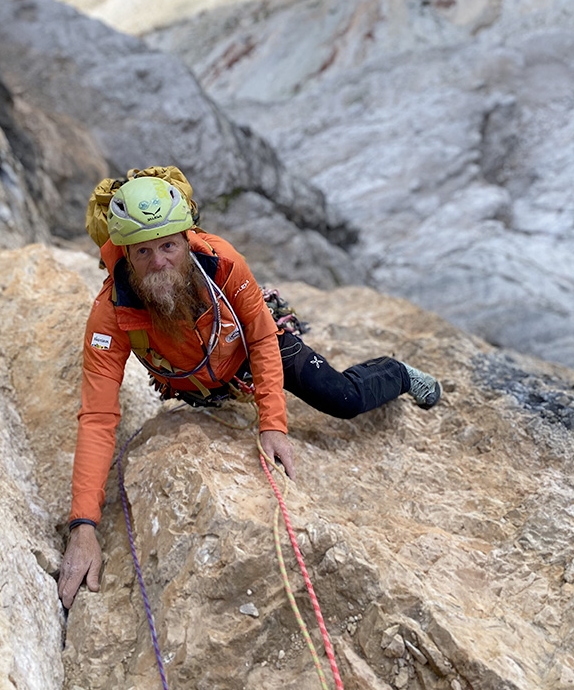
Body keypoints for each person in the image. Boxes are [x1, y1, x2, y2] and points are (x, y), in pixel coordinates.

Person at [58, 173, 442, 608]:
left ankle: (398, 373)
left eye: (168, 245)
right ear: (125, 254)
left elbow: (261, 337)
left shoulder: (221, 263)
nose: (160, 261)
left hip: (247, 344)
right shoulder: (111, 314)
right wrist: (84, 526)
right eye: (144, 251)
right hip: (201, 385)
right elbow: (98, 416)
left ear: (187, 239)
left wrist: (272, 424)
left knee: (342, 398)